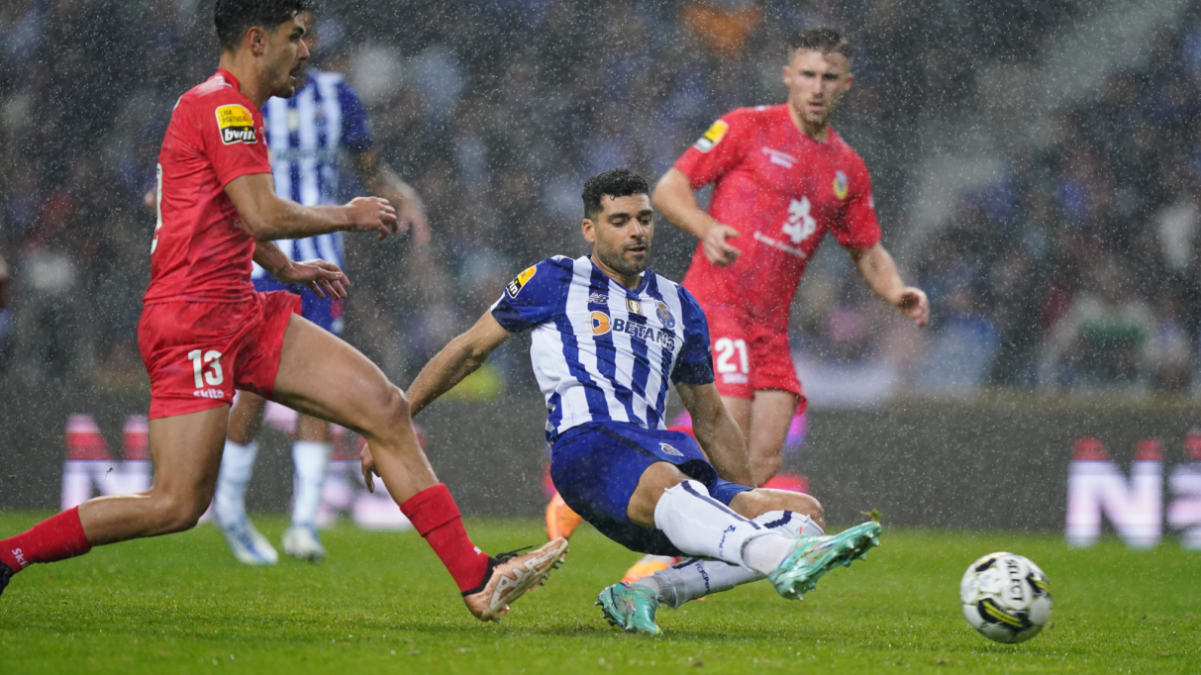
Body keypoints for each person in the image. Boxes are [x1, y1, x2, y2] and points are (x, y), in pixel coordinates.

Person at [0, 0, 566, 623]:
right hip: (191, 321)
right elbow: (262, 210)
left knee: (384, 407)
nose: (305, 49)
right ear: (255, 40)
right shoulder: (224, 109)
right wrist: (347, 214)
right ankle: (9, 554)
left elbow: (217, 210)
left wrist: (283, 268)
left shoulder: (224, 106)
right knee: (175, 504)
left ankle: (477, 578)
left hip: (241, 308)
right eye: (295, 37)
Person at [384, 168, 881, 635]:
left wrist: (742, 501)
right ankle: (777, 558)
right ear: (590, 228)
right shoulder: (553, 279)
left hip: (656, 458)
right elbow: (469, 350)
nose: (636, 231)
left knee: (803, 515)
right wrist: (397, 416)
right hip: (587, 449)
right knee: (675, 482)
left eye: (644, 218)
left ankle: (646, 591)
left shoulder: (679, 304)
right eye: (619, 221)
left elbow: (709, 416)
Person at [548, 26, 927, 584]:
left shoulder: (847, 169)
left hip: (772, 327)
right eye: (807, 75)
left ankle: (669, 538)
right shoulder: (748, 127)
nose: (817, 87)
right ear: (788, 77)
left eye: (829, 78)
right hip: (715, 305)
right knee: (729, 432)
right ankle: (645, 533)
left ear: (845, 84)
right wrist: (708, 227)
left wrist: (896, 290)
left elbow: (867, 250)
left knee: (762, 464)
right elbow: (672, 186)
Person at [212, 9, 430, 566]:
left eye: (308, 38)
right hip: (257, 259)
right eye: (296, 36)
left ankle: (303, 523)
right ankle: (230, 507)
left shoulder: (339, 98)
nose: (304, 49)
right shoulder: (243, 97)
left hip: (322, 265)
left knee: (320, 395)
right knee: (255, 391)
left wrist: (404, 195)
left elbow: (370, 171)